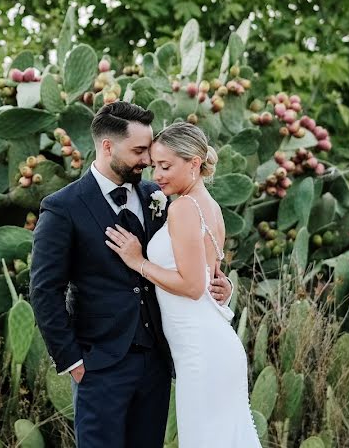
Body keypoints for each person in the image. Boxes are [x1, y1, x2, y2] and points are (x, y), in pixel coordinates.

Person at [30, 102, 233, 448]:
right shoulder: (63, 207)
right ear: (108, 146)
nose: (147, 162)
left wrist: (218, 283)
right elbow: (44, 290)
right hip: (99, 364)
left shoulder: (157, 194)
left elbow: (188, 251)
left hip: (156, 360)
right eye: (139, 151)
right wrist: (73, 361)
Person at [106, 121, 261, 447]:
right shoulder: (212, 208)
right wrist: (227, 289)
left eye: (165, 166)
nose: (157, 175)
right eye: (154, 166)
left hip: (200, 350)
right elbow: (209, 279)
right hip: (215, 344)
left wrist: (138, 262)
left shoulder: (183, 208)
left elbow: (191, 286)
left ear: (193, 163)